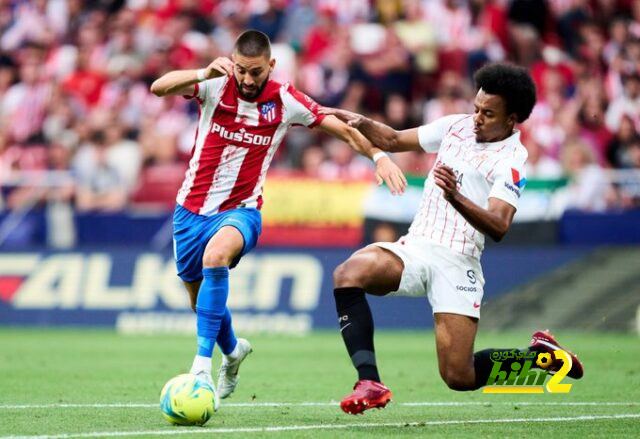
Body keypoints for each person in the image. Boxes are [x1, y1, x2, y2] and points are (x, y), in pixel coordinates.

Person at [149, 30, 406, 402]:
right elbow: (159, 87)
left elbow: (341, 130)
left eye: (256, 72)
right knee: (199, 300)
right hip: (190, 211)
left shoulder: (285, 99)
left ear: (271, 65)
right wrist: (203, 73)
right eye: (242, 71)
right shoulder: (215, 85)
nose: (248, 80)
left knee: (215, 257)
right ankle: (233, 351)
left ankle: (201, 367)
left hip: (242, 210)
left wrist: (378, 156)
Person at [322, 63, 585, 415]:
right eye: (477, 107)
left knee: (459, 376)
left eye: (488, 113)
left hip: (458, 261)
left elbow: (499, 226)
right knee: (348, 274)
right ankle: (369, 381)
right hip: (416, 247)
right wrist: (358, 120)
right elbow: (393, 139)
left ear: (512, 119)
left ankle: (536, 357)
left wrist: (456, 196)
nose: (477, 117)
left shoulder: (512, 160)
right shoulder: (455, 126)